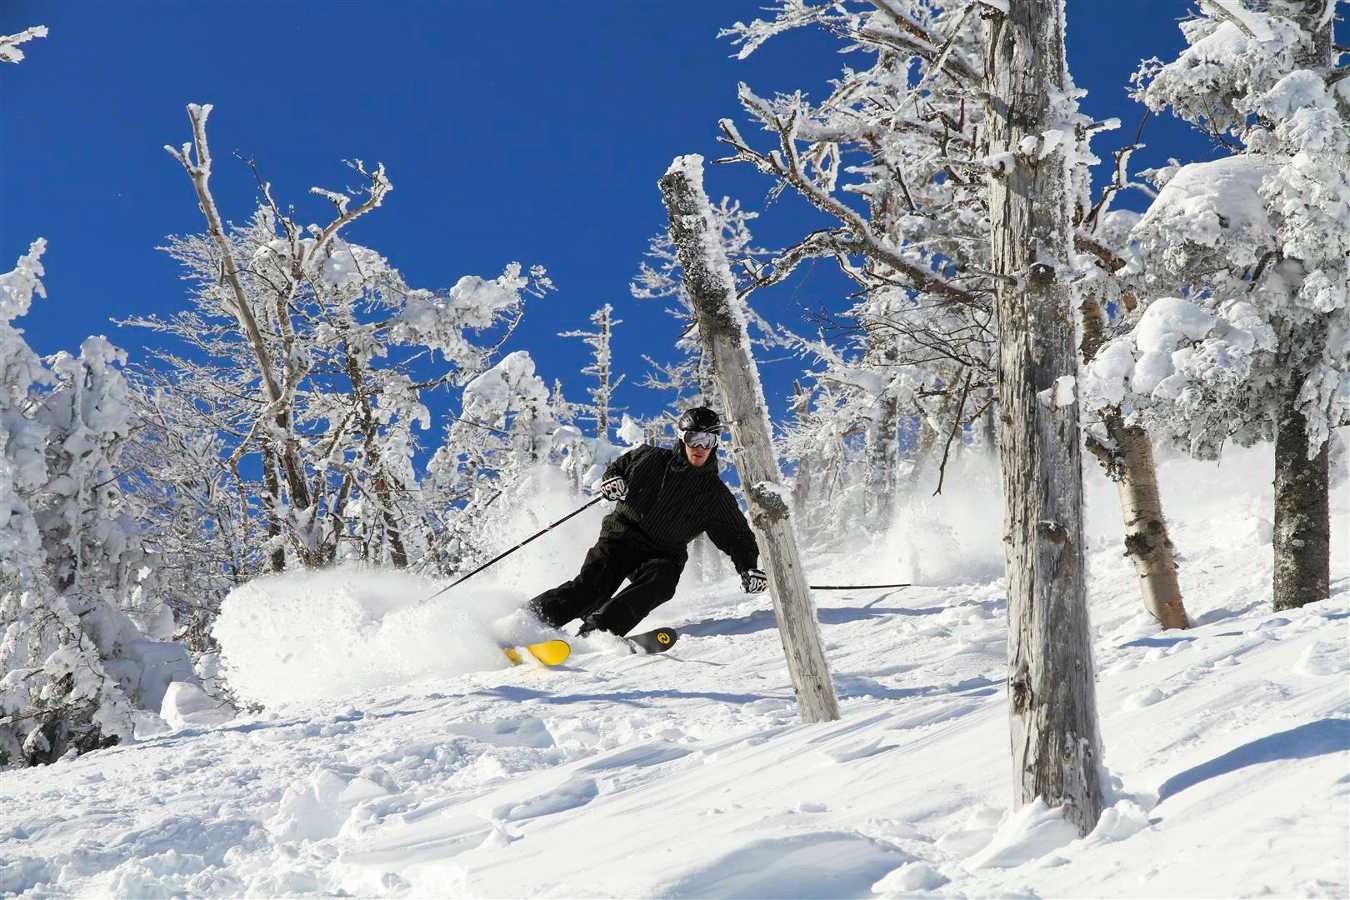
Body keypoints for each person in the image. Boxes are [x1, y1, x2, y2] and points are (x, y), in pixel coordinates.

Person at [529, 406, 768, 637]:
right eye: (694, 438)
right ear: (682, 438)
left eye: (708, 441)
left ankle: (600, 631)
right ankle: (529, 620)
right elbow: (618, 467)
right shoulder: (650, 458)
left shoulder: (714, 494)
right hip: (622, 536)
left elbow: (736, 536)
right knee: (593, 588)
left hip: (664, 552)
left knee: (661, 582)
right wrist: (612, 480)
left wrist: (748, 567)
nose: (700, 447)